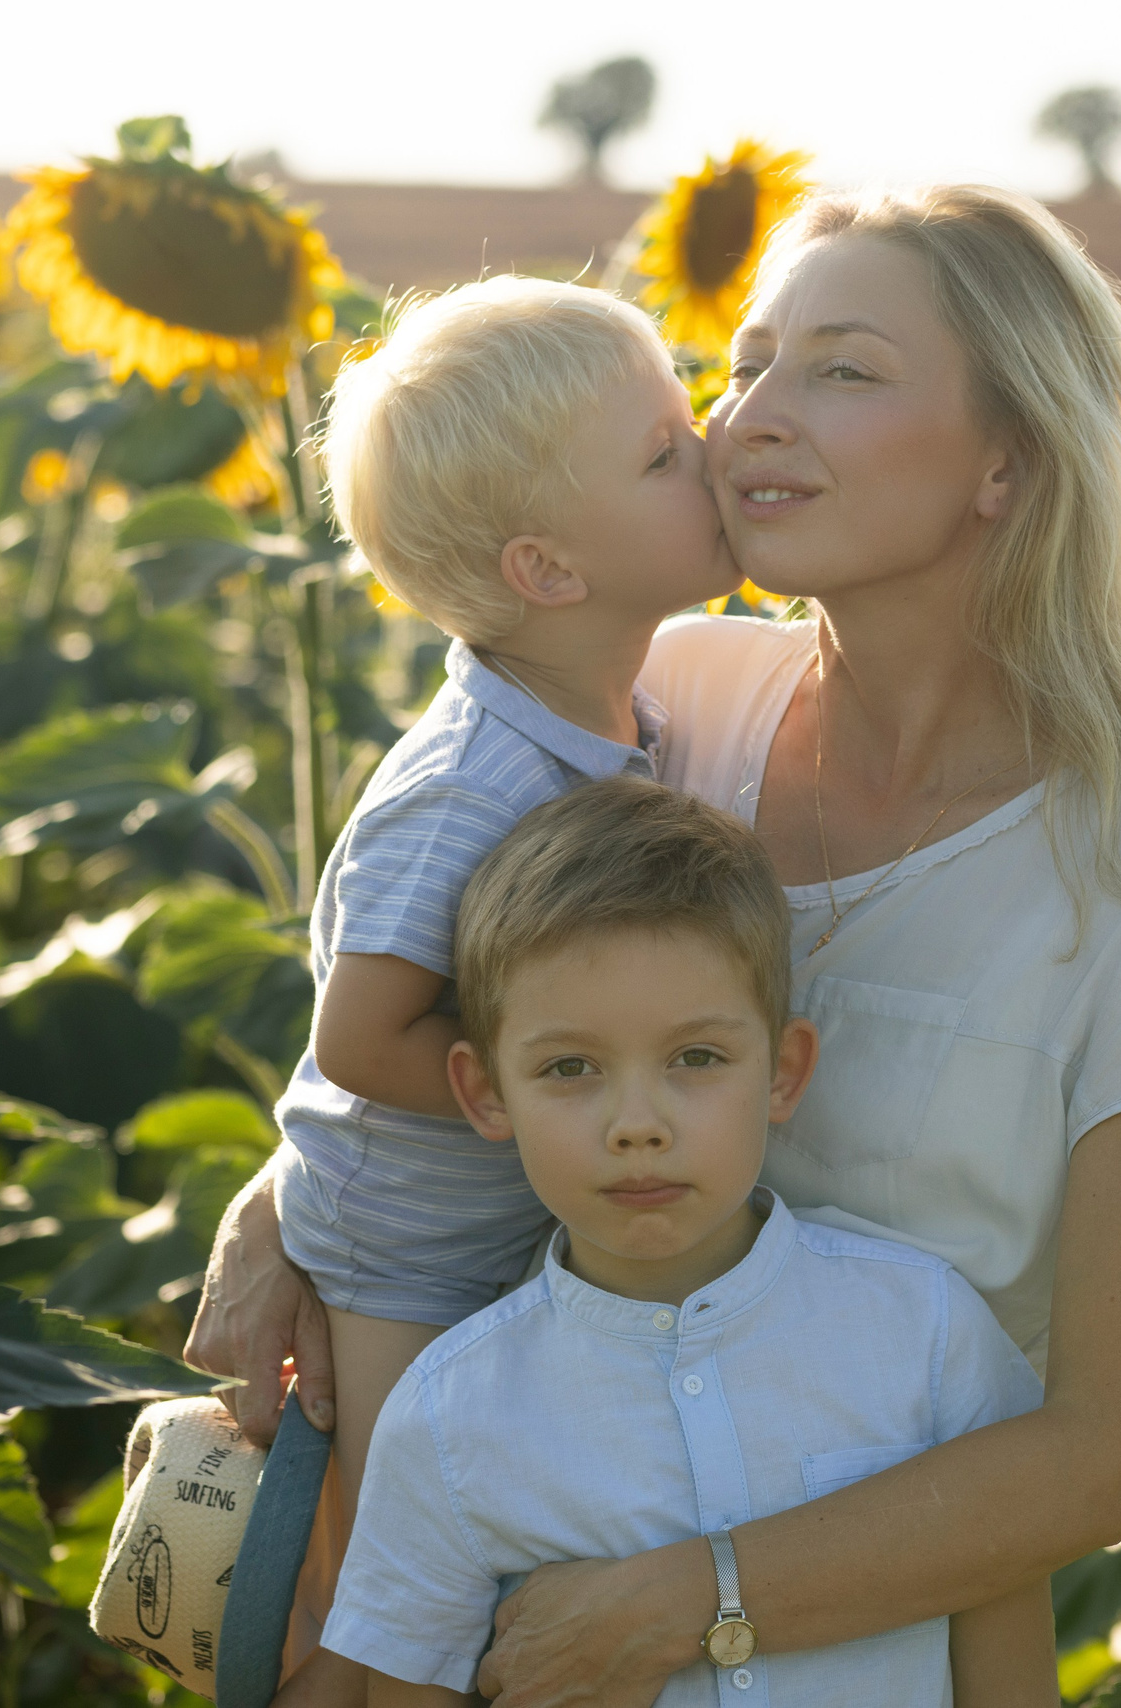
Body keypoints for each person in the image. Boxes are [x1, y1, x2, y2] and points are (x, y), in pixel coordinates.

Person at [191, 183, 1121, 1707]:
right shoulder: (665, 702)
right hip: (511, 1571)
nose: (750, 418)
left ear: (1009, 459)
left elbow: (1108, 1460)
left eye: (842, 369)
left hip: (869, 1652)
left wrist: (690, 1607)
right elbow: (442, 1007)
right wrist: (280, 1209)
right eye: (748, 362)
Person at [277, 777, 1055, 1707]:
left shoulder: (926, 1333)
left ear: (785, 1069)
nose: (636, 1125)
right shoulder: (444, 1421)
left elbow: (1008, 1646)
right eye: (571, 1068)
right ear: (484, 1092)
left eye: (695, 1058)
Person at [267, 272, 740, 1652]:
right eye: (663, 453)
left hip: (497, 1212)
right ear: (547, 570)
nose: (712, 451)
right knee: (403, 1579)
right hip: (403, 1245)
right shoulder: (474, 782)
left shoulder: (613, 719)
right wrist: (555, 1103)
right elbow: (358, 1034)